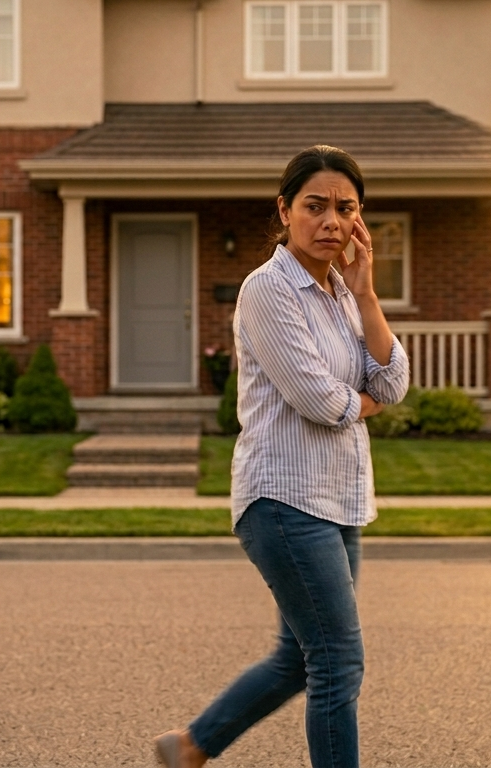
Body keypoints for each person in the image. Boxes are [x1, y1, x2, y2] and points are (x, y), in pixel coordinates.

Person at [154, 145, 409, 768]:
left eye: (345, 209)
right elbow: (322, 400)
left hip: (338, 500)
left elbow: (394, 381)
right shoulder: (268, 289)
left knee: (299, 658)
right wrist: (366, 400)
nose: (331, 221)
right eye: (315, 206)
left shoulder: (343, 294)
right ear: (285, 209)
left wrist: (367, 295)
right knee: (338, 660)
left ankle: (190, 746)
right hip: (284, 498)